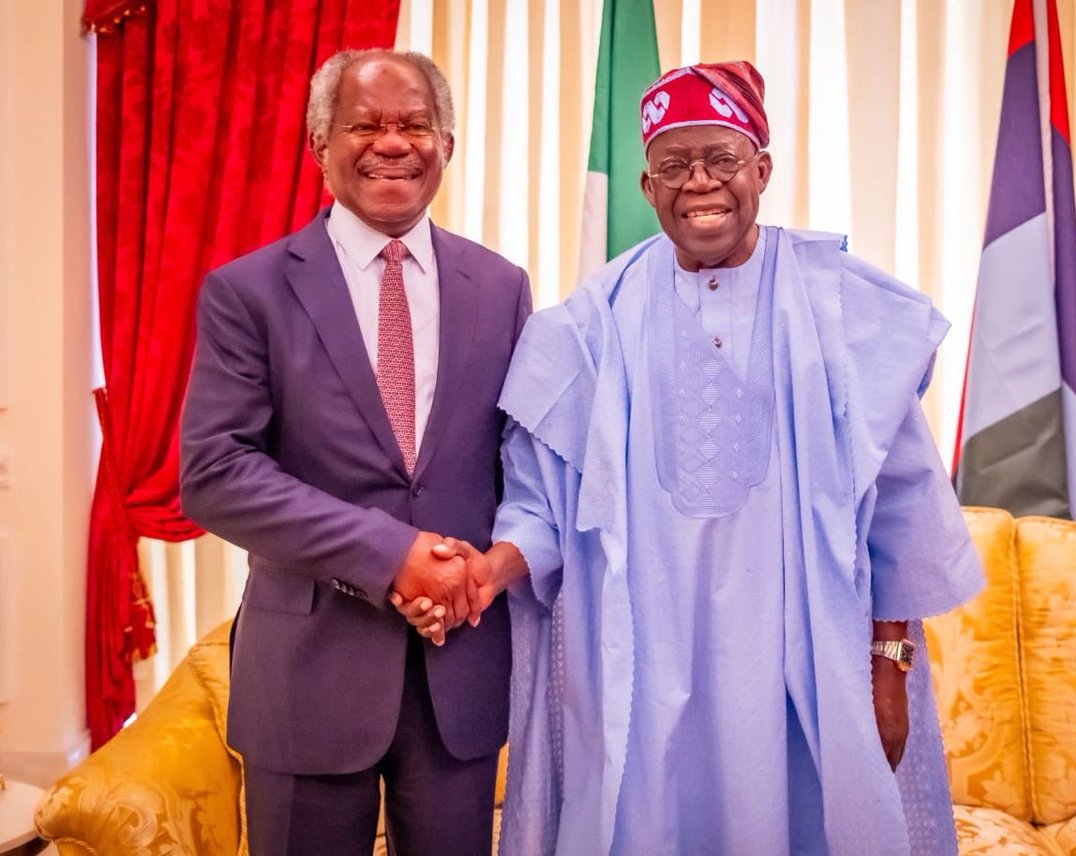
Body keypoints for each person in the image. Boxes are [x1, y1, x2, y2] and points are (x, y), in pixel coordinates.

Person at [404, 60, 984, 854]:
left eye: (723, 159)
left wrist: (889, 666)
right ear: (648, 187)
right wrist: (486, 571)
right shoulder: (592, 324)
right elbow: (540, 503)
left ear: (763, 170)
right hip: (642, 666)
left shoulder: (840, 305)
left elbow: (902, 504)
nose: (700, 183)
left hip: (807, 659)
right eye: (675, 166)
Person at [180, 48, 531, 856]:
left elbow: (522, 463)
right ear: (319, 145)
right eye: (365, 124)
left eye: (413, 124)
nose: (392, 142)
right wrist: (391, 554)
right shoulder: (249, 291)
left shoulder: (502, 287)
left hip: (459, 671)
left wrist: (485, 570)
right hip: (309, 672)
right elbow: (215, 473)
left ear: (446, 141)